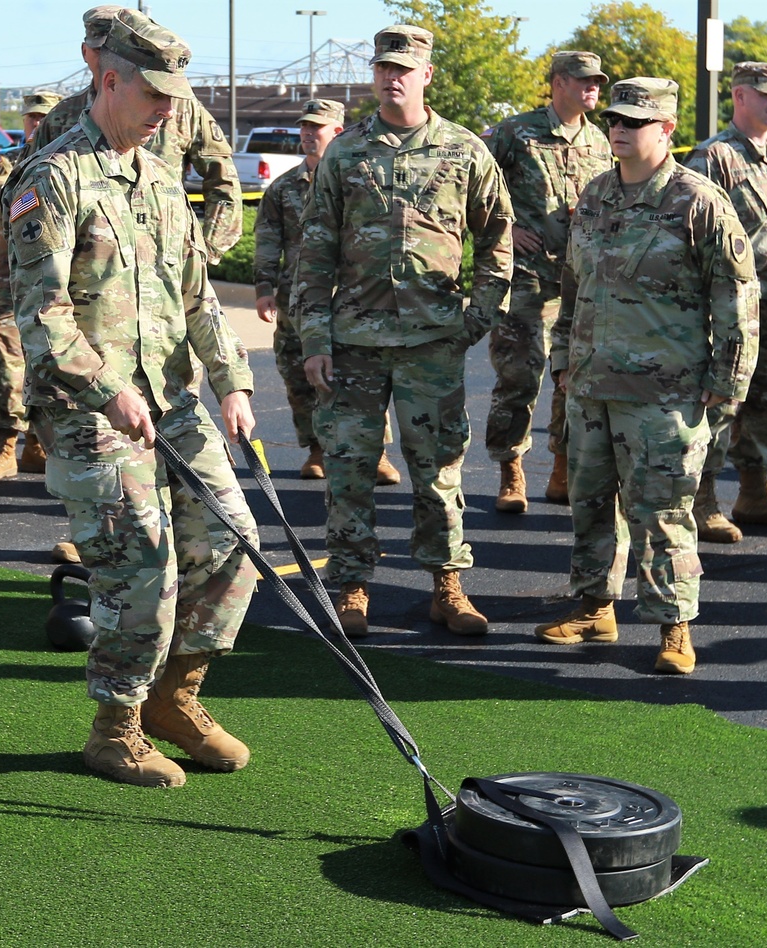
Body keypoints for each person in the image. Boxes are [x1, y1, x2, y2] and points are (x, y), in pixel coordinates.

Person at [5, 10, 259, 788]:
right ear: (105, 78)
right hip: (90, 412)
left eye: (173, 96)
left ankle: (175, 698)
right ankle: (114, 724)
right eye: (152, 94)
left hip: (172, 402)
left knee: (233, 544)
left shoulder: (157, 177)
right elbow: (41, 316)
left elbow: (197, 295)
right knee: (143, 568)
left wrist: (234, 384)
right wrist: (109, 390)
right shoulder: (52, 177)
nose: (166, 110)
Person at [296, 25, 513, 638]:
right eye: (382, 67)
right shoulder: (346, 152)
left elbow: (498, 235)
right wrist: (314, 338)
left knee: (439, 472)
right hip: (355, 344)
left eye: (403, 68)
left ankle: (447, 586)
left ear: (426, 75)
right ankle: (353, 589)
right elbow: (314, 253)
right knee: (349, 470)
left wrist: (478, 316)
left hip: (432, 343)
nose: (391, 77)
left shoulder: (464, 151)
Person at [537, 77, 759, 674]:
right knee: (589, 504)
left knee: (661, 512)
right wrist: (562, 362)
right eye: (615, 119)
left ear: (666, 129)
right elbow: (573, 287)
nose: (620, 129)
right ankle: (594, 607)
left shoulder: (698, 201)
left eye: (635, 121)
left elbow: (736, 298)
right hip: (590, 384)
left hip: (666, 392)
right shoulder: (596, 194)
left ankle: (674, 626)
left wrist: (727, 382)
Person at [685, 61, 767, 541]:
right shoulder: (713, 157)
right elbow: (692, 230)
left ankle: (754, 494)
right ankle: (703, 501)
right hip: (730, 306)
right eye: (766, 95)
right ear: (739, 96)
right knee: (722, 400)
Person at [485, 51, 613, 513]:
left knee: (572, 376)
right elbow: (471, 183)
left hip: (579, 281)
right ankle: (511, 470)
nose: (593, 88)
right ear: (558, 82)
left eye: (597, 81)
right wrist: (506, 225)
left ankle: (561, 469)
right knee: (520, 375)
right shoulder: (515, 132)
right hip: (526, 280)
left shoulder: (600, 140)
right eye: (583, 81)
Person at [253, 97, 400, 485]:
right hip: (297, 300)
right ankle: (316, 449)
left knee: (360, 375)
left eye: (315, 127)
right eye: (303, 126)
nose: (307, 134)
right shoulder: (284, 187)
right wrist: (264, 287)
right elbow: (268, 238)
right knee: (299, 377)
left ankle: (377, 453)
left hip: (351, 296)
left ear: (337, 132)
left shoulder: (361, 181)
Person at [28, 5, 242, 265]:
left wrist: (204, 252)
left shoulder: (182, 109)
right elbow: (28, 198)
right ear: (86, 52)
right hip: (90, 276)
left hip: (164, 265)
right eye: (100, 50)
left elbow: (224, 182)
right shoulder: (61, 116)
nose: (166, 110)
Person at [0, 89, 63, 482]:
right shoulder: (6, 165)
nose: (38, 124)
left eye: (46, 118)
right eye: (32, 118)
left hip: (61, 288)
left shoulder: (76, 162)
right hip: (13, 286)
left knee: (54, 367)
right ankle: (5, 446)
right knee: (5, 362)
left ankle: (38, 447)